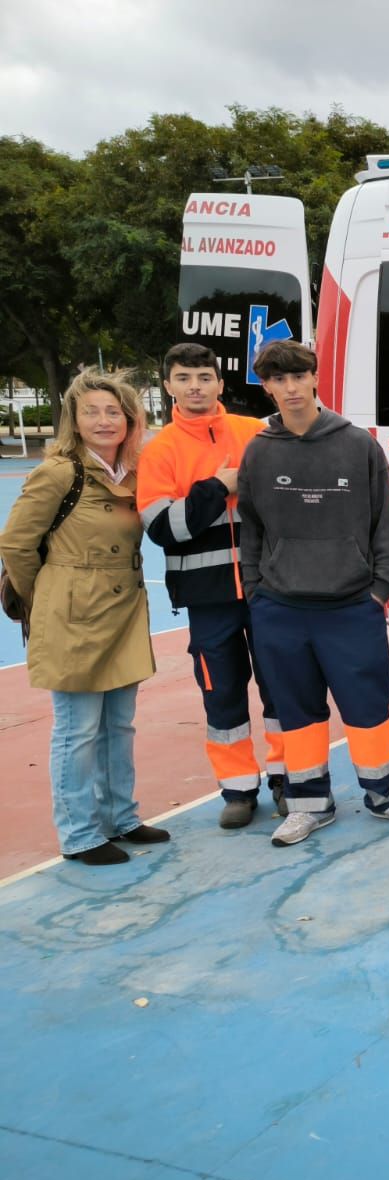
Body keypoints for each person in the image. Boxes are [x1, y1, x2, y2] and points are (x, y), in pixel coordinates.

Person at [238, 341, 389, 846]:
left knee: (367, 707)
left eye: (299, 376)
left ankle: (385, 794)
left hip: (351, 606)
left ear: (315, 377)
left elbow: (387, 526)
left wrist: (379, 589)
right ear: (267, 386)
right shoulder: (259, 450)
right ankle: (308, 805)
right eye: (279, 380)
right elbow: (251, 531)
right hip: (280, 608)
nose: (291, 388)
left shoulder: (358, 445)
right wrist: (257, 592)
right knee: (297, 713)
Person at [0, 369, 163, 866]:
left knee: (120, 725)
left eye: (113, 411)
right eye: (91, 411)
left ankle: (121, 817)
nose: (103, 420)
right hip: (73, 613)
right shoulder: (59, 472)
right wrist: (48, 598)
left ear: (130, 418)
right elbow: (15, 544)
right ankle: (80, 833)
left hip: (123, 609)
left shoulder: (134, 473)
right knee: (78, 729)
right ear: (73, 418)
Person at [137, 342, 285, 830]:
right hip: (208, 600)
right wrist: (219, 486)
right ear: (168, 386)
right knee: (221, 695)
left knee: (282, 688)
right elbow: (163, 528)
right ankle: (239, 789)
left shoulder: (257, 432)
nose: (195, 386)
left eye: (204, 376)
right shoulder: (159, 450)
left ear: (221, 383)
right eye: (184, 378)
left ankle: (292, 778)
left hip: (268, 589)